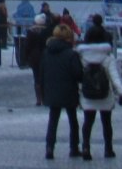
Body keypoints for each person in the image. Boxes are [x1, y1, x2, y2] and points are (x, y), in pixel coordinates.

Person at [76, 18, 122, 160]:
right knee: (106, 123)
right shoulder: (107, 58)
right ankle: (108, 149)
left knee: (88, 122)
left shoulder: (82, 57)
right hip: (105, 95)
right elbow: (115, 77)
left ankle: (86, 147)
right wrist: (121, 92)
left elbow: (78, 76)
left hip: (87, 95)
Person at [42, 23, 84, 159]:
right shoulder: (71, 54)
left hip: (51, 90)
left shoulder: (47, 52)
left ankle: (49, 147)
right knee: (73, 120)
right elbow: (78, 74)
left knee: (53, 120)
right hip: (69, 90)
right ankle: (74, 147)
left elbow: (41, 71)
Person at [24, 13, 49, 106]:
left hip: (34, 57)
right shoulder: (46, 32)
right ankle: (44, 97)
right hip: (45, 56)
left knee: (36, 78)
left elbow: (27, 46)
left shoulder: (31, 32)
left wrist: (26, 57)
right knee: (44, 77)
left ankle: (38, 99)